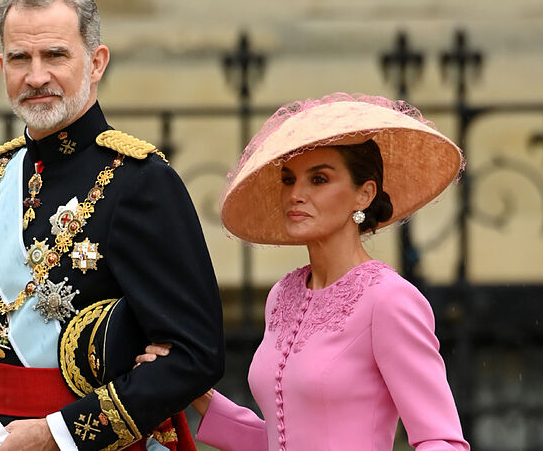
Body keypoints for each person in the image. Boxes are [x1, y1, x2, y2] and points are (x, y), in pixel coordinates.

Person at [0, 0, 225, 450]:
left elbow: (196, 355)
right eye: (20, 59)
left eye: (55, 55)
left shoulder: (140, 182)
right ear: (1, 68)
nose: (36, 77)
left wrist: (57, 434)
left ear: (95, 62)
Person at [138, 93, 470, 450]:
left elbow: (441, 439)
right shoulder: (283, 295)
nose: (296, 194)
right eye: (288, 179)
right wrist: (198, 396)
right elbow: (279, 440)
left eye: (319, 179)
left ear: (364, 194)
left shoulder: (389, 300)